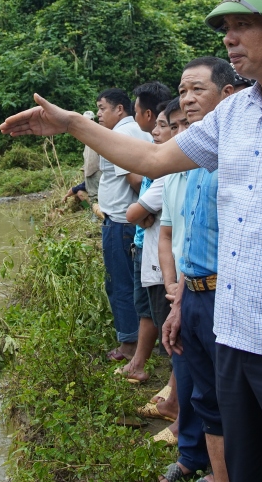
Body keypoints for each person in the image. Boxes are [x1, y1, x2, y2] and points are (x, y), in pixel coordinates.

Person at [1, 0, 262, 482]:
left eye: (242, 25)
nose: (228, 38)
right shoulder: (234, 112)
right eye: (226, 28)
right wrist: (74, 124)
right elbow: (152, 158)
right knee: (246, 467)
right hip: (233, 334)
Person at [159, 57, 238, 482]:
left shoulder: (240, 157)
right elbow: (189, 243)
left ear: (227, 95)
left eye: (196, 91)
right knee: (208, 397)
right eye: (182, 91)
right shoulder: (194, 163)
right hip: (196, 296)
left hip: (231, 296)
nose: (186, 100)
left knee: (238, 399)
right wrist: (179, 305)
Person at [117, 82, 173, 384]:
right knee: (147, 309)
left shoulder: (168, 169)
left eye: (166, 126)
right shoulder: (158, 162)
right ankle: (140, 364)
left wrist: (138, 214)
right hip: (145, 244)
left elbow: (135, 212)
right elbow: (141, 213)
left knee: (158, 313)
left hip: (155, 253)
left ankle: (172, 390)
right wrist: (140, 215)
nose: (155, 132)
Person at [95, 88, 153, 363]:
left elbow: (133, 178)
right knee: (136, 284)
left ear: (120, 109)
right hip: (130, 220)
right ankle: (138, 342)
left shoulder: (119, 135)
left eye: (102, 108)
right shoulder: (141, 131)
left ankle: (128, 346)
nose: (98, 114)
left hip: (120, 221)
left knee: (120, 284)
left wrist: (144, 211)